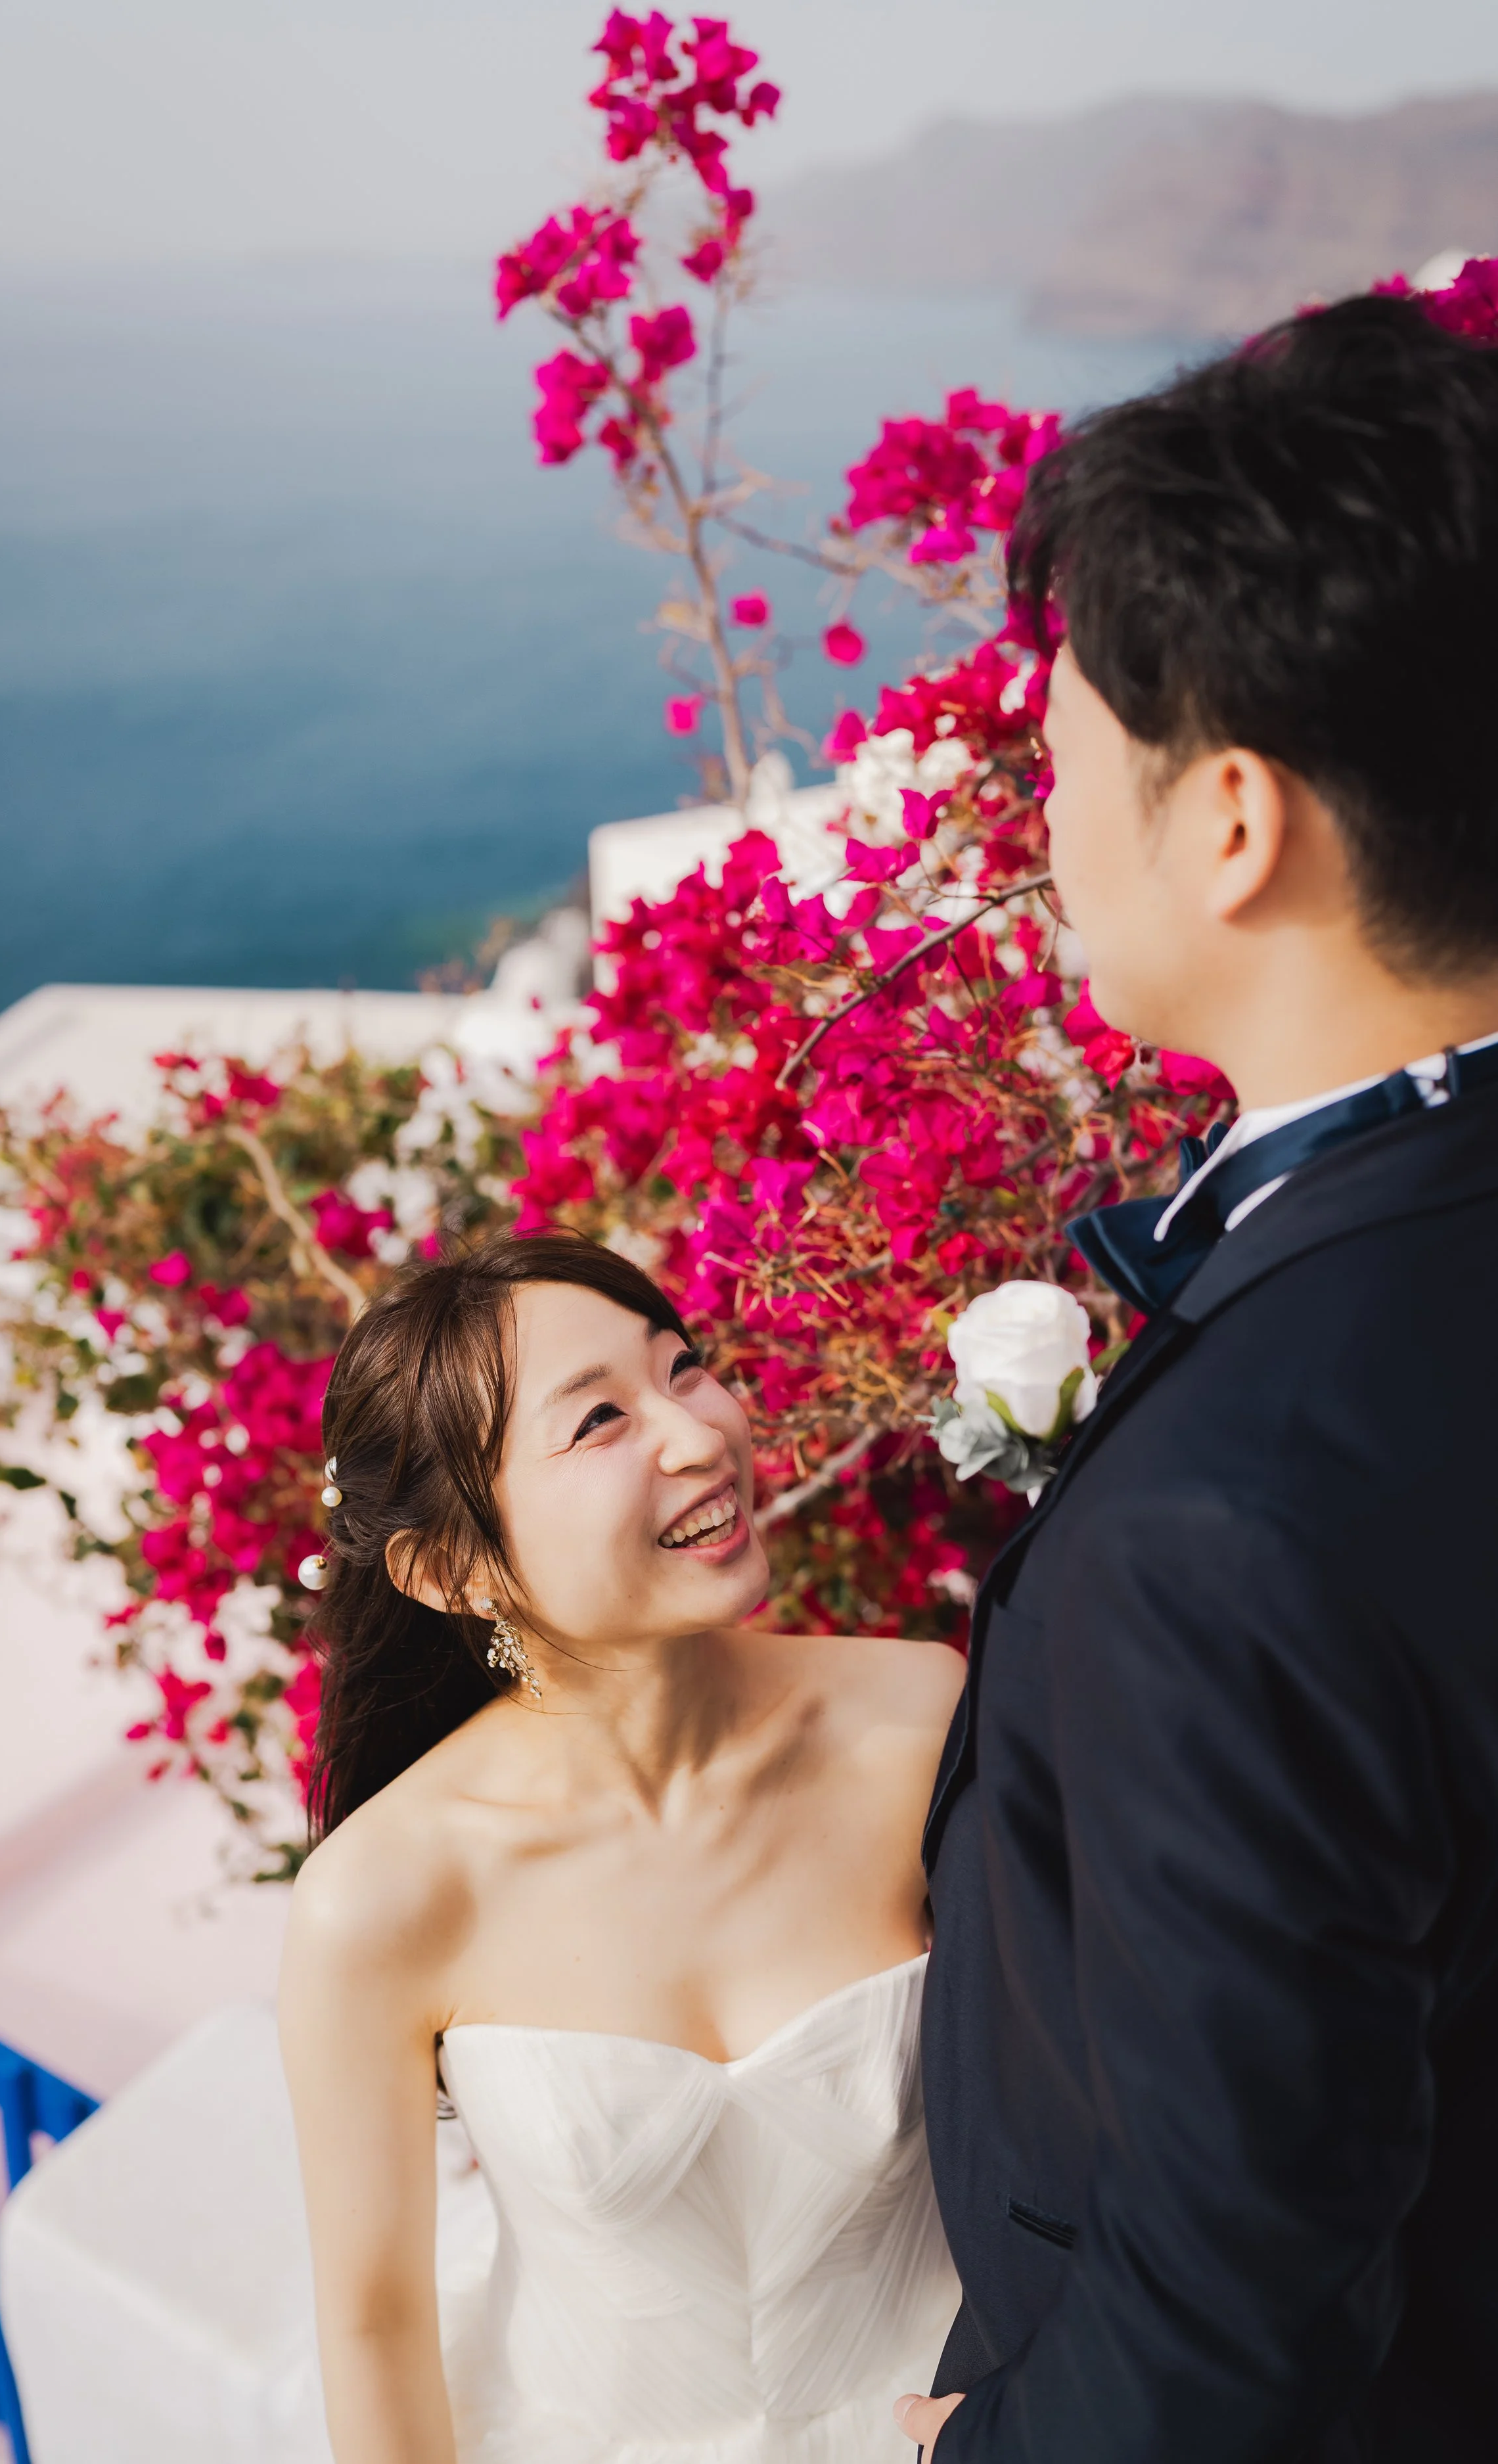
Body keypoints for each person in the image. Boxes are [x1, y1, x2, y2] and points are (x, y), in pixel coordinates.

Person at [894, 290, 1498, 2462]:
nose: (1046, 827)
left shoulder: (1218, 1532)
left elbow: (1230, 2313)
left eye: (1063, 769)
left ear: (1231, 820)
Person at [278, 1230, 964, 2464]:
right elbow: (375, 2325)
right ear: (454, 1568)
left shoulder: (919, 1719)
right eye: (600, 1420)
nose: (701, 1433)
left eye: (684, 1367)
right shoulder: (382, 1899)